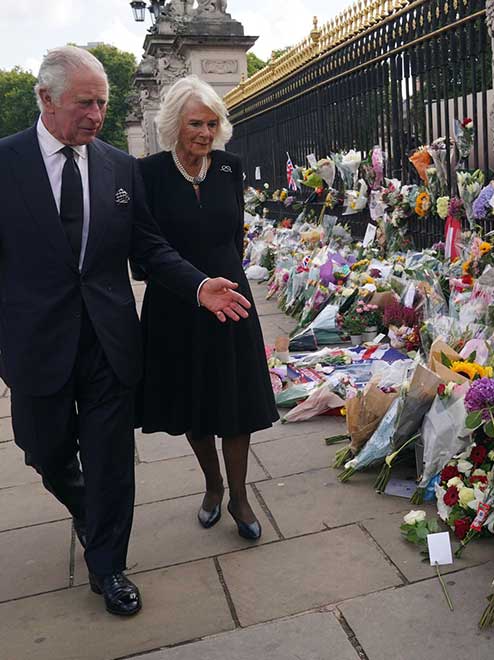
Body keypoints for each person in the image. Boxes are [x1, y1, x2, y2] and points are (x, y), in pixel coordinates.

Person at [0, 46, 252, 617]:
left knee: (112, 458)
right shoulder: (6, 163)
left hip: (109, 340)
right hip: (36, 340)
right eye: (84, 103)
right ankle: (90, 512)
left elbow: (148, 244)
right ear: (46, 99)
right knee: (42, 448)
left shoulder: (118, 166)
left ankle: (109, 564)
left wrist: (195, 285)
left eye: (103, 103)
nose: (96, 114)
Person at [135, 76, 278, 541]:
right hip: (177, 305)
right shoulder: (149, 173)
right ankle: (212, 486)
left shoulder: (229, 167)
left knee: (236, 401)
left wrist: (226, 276)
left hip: (232, 299)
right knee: (194, 402)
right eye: (196, 122)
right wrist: (194, 283)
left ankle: (239, 494)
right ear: (175, 123)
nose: (204, 132)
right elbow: (146, 247)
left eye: (212, 123)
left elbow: (233, 234)